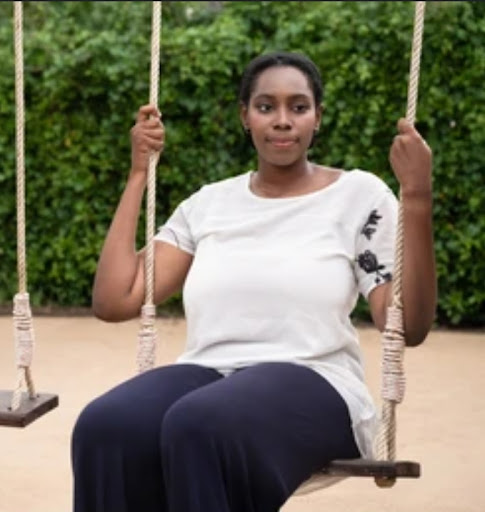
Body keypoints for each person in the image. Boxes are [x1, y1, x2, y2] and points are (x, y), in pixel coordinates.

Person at [71, 51, 436, 512]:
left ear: (318, 117)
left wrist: (417, 198)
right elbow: (115, 299)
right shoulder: (210, 204)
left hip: (315, 381)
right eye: (266, 107)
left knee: (200, 423)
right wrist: (138, 173)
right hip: (209, 375)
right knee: (105, 427)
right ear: (245, 116)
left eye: (298, 107)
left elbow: (407, 324)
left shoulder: (359, 196)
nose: (282, 120)